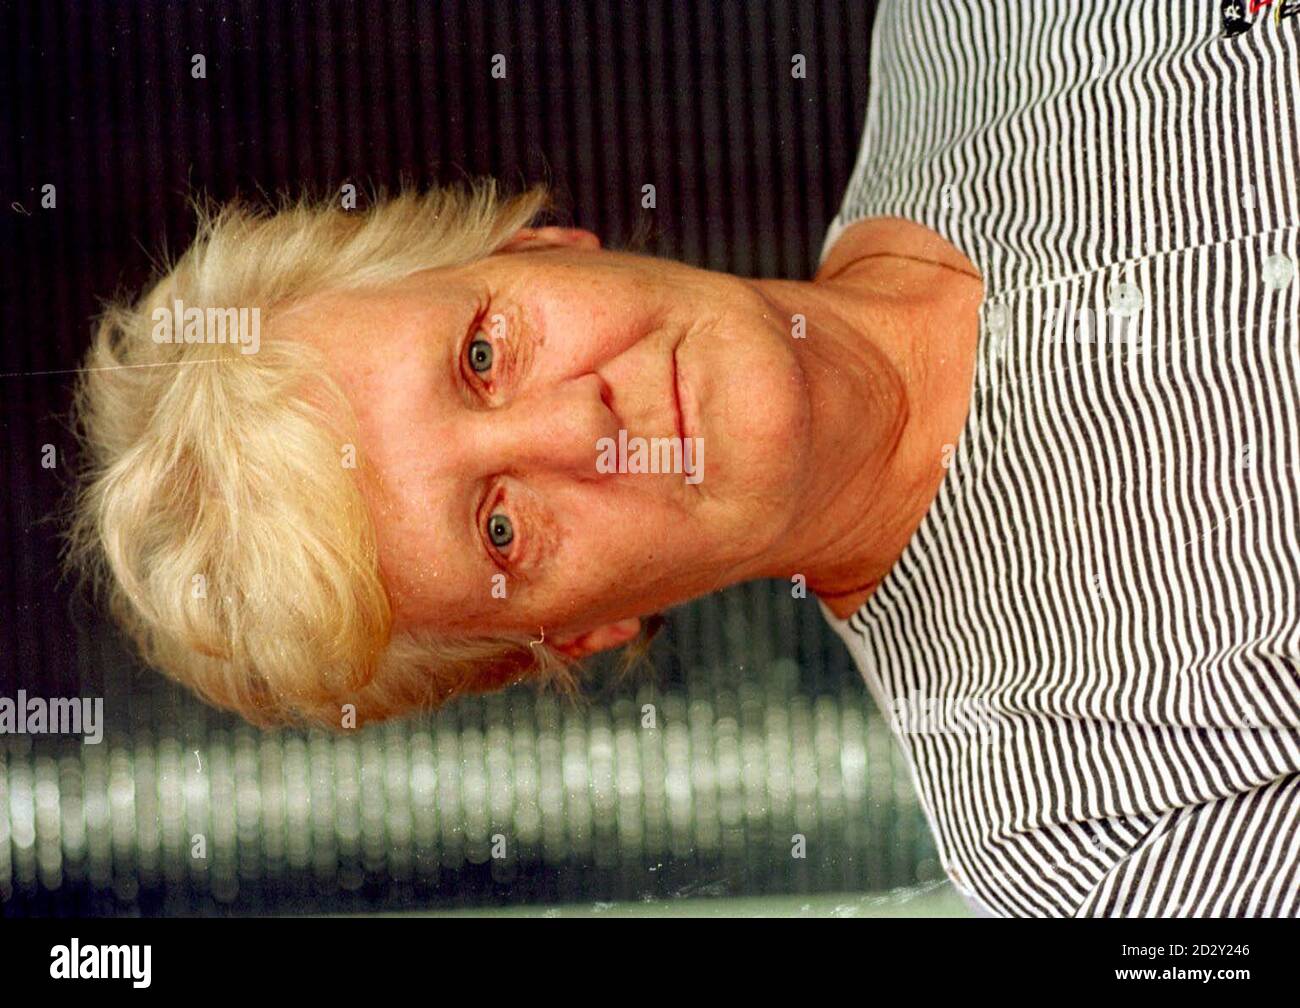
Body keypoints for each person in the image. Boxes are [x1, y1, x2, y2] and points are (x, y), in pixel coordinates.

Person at [71, 1, 1299, 917]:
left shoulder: (990, 26)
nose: (579, 428)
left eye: (484, 354)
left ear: (548, 247)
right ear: (586, 632)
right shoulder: (1087, 851)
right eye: (499, 530)